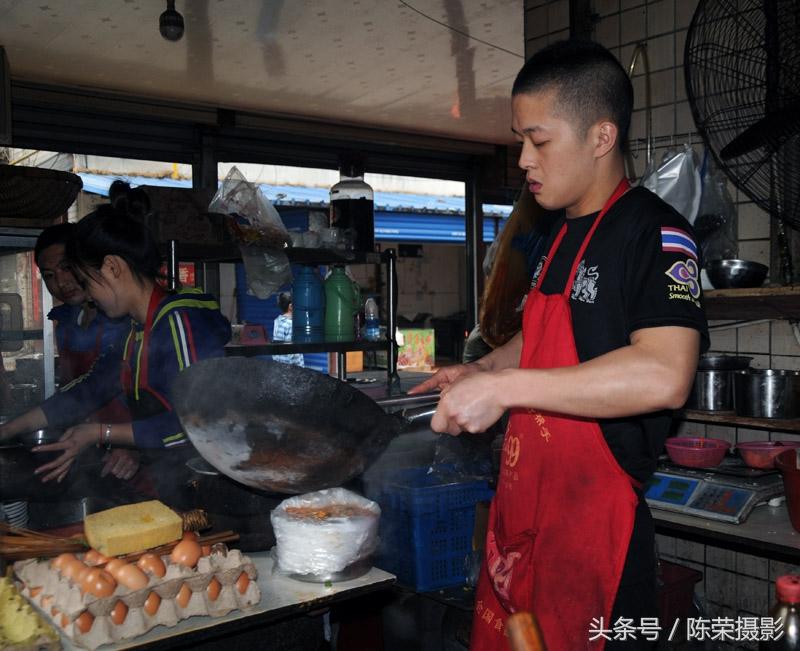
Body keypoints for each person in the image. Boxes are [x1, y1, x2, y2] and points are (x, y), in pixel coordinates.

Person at [411, 40, 708, 650]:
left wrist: (506, 388)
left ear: (601, 137)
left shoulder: (655, 233)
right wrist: (482, 369)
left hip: (594, 526)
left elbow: (664, 373)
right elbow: (547, 333)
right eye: (521, 139)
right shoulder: (558, 232)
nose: (523, 158)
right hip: (527, 511)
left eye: (539, 141)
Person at [0, 183, 231, 508]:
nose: (87, 294)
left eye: (85, 281)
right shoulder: (134, 330)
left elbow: (198, 425)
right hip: (171, 485)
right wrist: (9, 429)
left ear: (112, 267)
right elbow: (89, 390)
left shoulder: (179, 322)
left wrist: (100, 433)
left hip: (207, 493)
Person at [34, 223, 138, 481]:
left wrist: (138, 448)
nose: (60, 282)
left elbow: (163, 403)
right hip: (87, 453)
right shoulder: (66, 323)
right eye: (49, 275)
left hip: (133, 460)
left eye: (67, 268)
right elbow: (74, 388)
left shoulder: (127, 321)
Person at [271, 291, 304, 367]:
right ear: (291, 306)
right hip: (293, 369)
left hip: (280, 366)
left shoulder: (277, 321)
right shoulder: (290, 325)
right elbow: (291, 352)